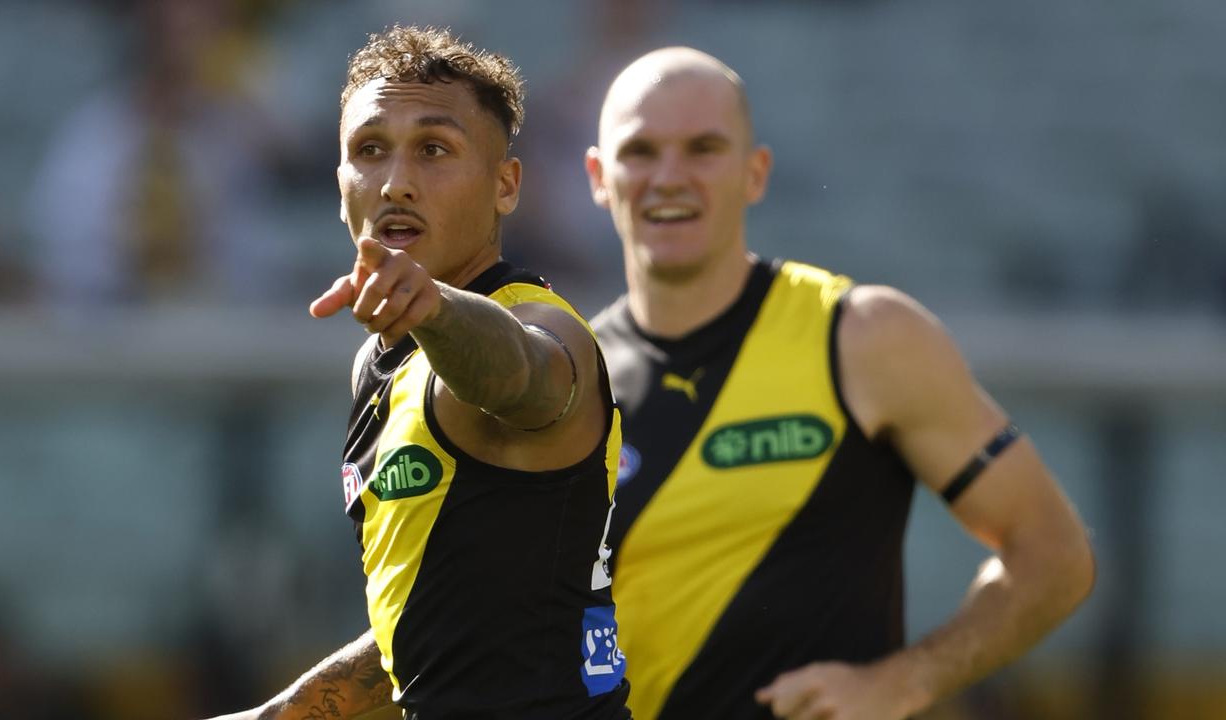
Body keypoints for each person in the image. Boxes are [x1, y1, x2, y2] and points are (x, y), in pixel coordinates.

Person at [585, 47, 1095, 720]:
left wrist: (902, 681)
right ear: (597, 176)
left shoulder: (863, 336)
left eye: (703, 148)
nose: (669, 177)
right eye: (640, 151)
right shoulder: (568, 379)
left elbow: (1053, 554)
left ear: (755, 171)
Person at [210, 26, 630, 720]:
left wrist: (436, 307)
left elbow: (523, 376)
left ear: (505, 185)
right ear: (339, 182)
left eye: (434, 149)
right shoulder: (380, 360)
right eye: (368, 150)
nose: (397, 182)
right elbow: (438, 626)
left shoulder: (543, 326)